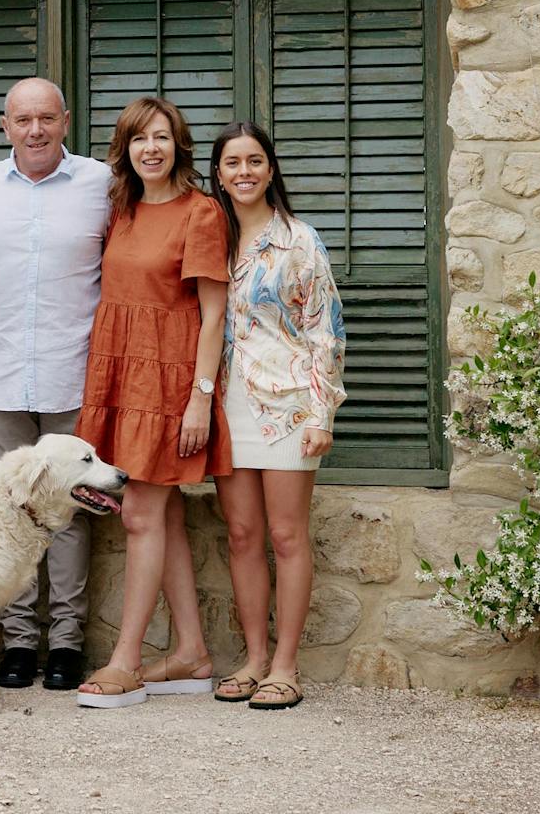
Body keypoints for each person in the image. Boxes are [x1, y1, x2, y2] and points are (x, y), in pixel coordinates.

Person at [0, 77, 110, 692]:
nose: (35, 130)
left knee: (72, 509)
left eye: (46, 118)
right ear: (4, 125)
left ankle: (65, 643)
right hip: (1, 372)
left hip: (75, 370)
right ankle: (18, 640)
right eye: (23, 120)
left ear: (66, 120)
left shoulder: (101, 184)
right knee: (11, 509)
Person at [74, 96, 230, 709]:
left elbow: (213, 314)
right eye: (139, 139)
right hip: (119, 375)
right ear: (126, 149)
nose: (151, 149)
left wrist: (200, 399)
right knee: (160, 517)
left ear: (178, 145)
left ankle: (126, 661)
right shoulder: (122, 211)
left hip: (170, 386)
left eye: (162, 137)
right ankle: (191, 651)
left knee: (138, 514)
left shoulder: (202, 213)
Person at [208, 122, 345, 711]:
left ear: (270, 170)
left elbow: (326, 332)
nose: (243, 172)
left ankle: (287, 666)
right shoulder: (209, 237)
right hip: (224, 404)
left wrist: (322, 413)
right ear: (218, 173)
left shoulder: (299, 240)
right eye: (233, 163)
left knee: (286, 535)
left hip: (289, 404)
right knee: (241, 535)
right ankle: (254, 657)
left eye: (254, 161)